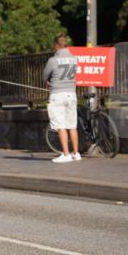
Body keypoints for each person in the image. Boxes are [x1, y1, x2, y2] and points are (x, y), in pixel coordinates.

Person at [43, 34, 80, 163]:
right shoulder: (74, 59)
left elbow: (45, 76)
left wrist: (48, 81)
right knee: (72, 125)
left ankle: (65, 154)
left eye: (54, 45)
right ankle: (76, 153)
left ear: (57, 45)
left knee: (60, 125)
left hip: (57, 94)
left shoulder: (53, 60)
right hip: (71, 93)